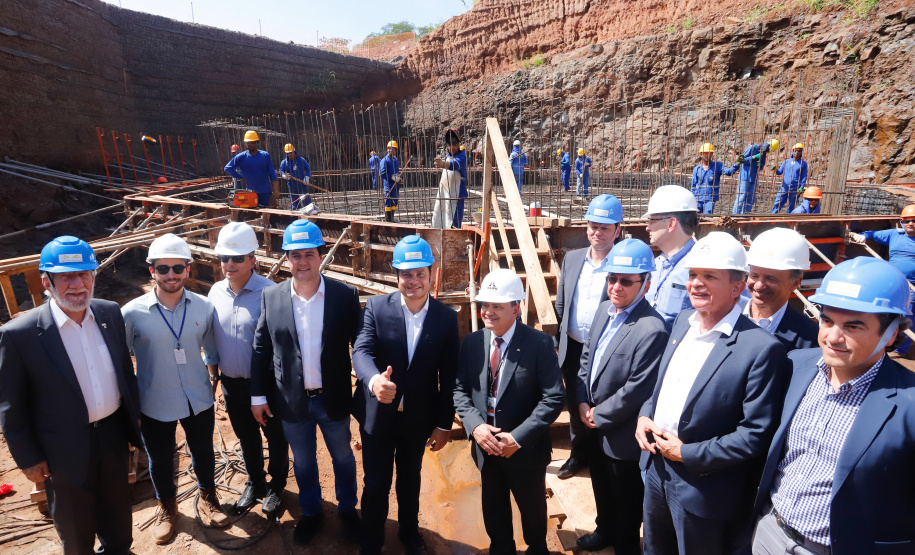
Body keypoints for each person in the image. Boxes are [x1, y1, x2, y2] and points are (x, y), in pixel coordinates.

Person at [635, 232, 789, 554]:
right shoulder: (681, 324)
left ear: (737, 287)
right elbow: (662, 388)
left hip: (701, 488)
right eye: (693, 274)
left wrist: (687, 454)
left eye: (709, 276)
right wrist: (644, 415)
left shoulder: (760, 349)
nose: (696, 284)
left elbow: (754, 434)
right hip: (655, 471)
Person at [752, 257, 915, 555]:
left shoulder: (909, 406)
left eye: (853, 326)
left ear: (891, 333)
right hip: (769, 534)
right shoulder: (794, 366)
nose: (833, 337)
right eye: (827, 321)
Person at [0, 236, 141, 554]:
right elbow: (11, 405)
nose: (78, 284)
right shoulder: (20, 335)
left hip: (112, 438)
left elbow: (124, 372)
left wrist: (135, 418)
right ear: (45, 281)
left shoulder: (109, 314)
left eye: (85, 274)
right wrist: (29, 459)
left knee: (119, 521)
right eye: (66, 276)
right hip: (61, 451)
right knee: (77, 537)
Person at [250, 219, 362, 545]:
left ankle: (347, 510)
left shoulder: (343, 296)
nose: (302, 262)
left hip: (333, 398)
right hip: (292, 400)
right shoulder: (272, 298)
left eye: (309, 254)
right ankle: (311, 511)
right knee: (303, 460)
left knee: (342, 456)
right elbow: (261, 348)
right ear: (286, 258)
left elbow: (361, 344)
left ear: (320, 256)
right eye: (295, 255)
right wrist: (258, 395)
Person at [352, 235, 460, 555]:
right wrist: (373, 381)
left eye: (419, 273)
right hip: (378, 415)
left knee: (410, 478)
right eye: (406, 274)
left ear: (431, 274)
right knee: (376, 483)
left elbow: (449, 376)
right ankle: (372, 540)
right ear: (395, 274)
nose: (413, 281)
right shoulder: (375, 307)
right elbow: (361, 350)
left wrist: (443, 425)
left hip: (418, 417)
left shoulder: (445, 318)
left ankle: (409, 532)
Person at [122, 233, 228, 544]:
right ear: (151, 270)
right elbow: (120, 362)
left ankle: (209, 498)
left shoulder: (204, 307)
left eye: (178, 268)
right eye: (163, 268)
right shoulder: (131, 313)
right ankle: (167, 507)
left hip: (198, 397)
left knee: (203, 451)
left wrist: (212, 381)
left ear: (188, 269)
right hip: (154, 400)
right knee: (159, 458)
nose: (171, 274)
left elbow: (211, 348)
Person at [453, 269, 564, 555]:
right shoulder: (473, 343)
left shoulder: (538, 344)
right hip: (486, 447)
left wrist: (517, 439)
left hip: (524, 450)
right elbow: (460, 391)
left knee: (533, 510)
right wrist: (476, 427)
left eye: (497, 306)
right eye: (485, 305)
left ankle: (537, 548)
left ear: (516, 308)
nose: (488, 312)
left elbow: (553, 398)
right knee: (493, 507)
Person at [575, 239, 669, 555]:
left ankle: (626, 546)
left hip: (622, 433)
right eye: (612, 278)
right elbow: (586, 360)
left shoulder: (652, 328)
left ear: (646, 283)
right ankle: (604, 531)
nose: (616, 287)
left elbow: (636, 389)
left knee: (626, 498)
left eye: (626, 281)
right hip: (594, 421)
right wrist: (582, 402)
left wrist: (596, 416)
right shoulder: (604, 309)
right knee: (600, 484)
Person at [207, 222, 288, 515]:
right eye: (224, 258)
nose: (229, 264)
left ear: (252, 259)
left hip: (265, 384)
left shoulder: (271, 293)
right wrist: (213, 374)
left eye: (237, 257)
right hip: (231, 383)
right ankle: (255, 482)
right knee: (246, 436)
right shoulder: (215, 292)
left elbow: (281, 344)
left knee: (276, 436)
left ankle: (277, 486)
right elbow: (211, 339)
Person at [554, 194, 622, 479]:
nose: (597, 232)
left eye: (605, 227)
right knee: (574, 404)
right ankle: (578, 455)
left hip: (605, 351)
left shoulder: (622, 264)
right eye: (593, 225)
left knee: (600, 406)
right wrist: (558, 340)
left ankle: (602, 460)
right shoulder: (572, 258)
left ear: (618, 230)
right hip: (573, 346)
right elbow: (562, 302)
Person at [850, 204, 915, 357]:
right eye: (907, 221)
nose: (911, 223)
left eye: (914, 220)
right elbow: (872, 234)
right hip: (893, 283)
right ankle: (882, 345)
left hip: (912, 287)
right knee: (885, 314)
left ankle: (900, 350)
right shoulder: (894, 235)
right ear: (901, 222)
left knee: (908, 318)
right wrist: (864, 235)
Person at [745, 227, 819, 352]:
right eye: (754, 276)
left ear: (795, 283)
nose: (758, 285)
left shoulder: (811, 338)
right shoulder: (724, 317)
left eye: (771, 279)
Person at [643, 185, 698, 329]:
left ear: (671, 223)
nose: (647, 227)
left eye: (652, 220)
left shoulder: (701, 267)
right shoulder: (655, 265)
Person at [224, 130, 280, 208]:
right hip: (251, 193)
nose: (250, 144)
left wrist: (276, 189)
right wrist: (241, 177)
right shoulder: (242, 156)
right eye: (248, 143)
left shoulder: (265, 155)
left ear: (257, 143)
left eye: (252, 142)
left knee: (269, 215)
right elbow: (228, 168)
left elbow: (272, 173)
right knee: (253, 214)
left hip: (266, 192)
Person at [433, 128, 468, 229]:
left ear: (458, 144)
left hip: (457, 194)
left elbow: (455, 165)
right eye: (449, 144)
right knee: (443, 216)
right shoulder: (448, 156)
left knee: (454, 221)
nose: (452, 147)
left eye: (454, 143)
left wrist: (444, 164)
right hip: (446, 194)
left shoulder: (462, 157)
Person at [733, 139, 779, 214]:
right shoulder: (751, 148)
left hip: (754, 178)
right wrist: (753, 157)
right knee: (741, 198)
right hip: (745, 177)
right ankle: (735, 215)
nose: (766, 152)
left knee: (751, 198)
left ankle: (745, 215)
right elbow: (741, 160)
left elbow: (762, 165)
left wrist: (760, 165)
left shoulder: (763, 153)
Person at [690, 143, 739, 214]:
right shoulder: (697, 169)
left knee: (708, 217)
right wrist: (692, 199)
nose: (708, 155)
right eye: (706, 153)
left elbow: (728, 172)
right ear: (701, 154)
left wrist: (737, 164)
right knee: (696, 218)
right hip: (698, 198)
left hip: (710, 198)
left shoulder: (718, 166)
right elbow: (693, 186)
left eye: (710, 153)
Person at [771, 143, 808, 213]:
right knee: (777, 203)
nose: (796, 152)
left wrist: (802, 187)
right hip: (784, 187)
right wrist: (775, 169)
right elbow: (779, 172)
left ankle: (788, 220)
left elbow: (804, 176)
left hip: (795, 188)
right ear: (792, 151)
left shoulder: (803, 164)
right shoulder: (786, 162)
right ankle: (772, 217)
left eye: (799, 151)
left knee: (791, 206)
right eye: (795, 150)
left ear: (801, 152)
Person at [280, 143, 312, 210]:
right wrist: (284, 176)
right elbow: (281, 171)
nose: (290, 154)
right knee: (295, 201)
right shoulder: (284, 162)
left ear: (294, 151)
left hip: (302, 183)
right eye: (289, 153)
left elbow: (307, 168)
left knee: (306, 199)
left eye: (291, 152)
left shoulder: (301, 160)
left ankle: (309, 211)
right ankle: (297, 213)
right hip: (292, 184)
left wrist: (307, 177)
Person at [380, 140, 402, 222]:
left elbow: (397, 171)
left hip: (396, 185)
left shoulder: (395, 160)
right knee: (388, 201)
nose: (390, 150)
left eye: (392, 149)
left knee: (395, 201)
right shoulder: (385, 160)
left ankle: (392, 217)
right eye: (389, 148)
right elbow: (382, 174)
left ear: (395, 150)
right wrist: (392, 177)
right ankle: (388, 219)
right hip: (389, 185)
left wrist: (398, 179)